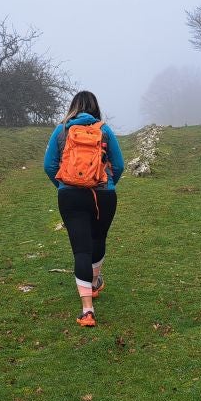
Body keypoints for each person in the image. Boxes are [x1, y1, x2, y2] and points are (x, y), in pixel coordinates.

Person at [44, 91, 124, 327]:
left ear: (73, 107)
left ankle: (87, 310)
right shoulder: (105, 130)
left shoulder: (62, 130)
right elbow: (118, 165)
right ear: (95, 107)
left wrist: (63, 185)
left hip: (70, 195)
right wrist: (108, 185)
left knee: (81, 250)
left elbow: (48, 165)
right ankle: (95, 282)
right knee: (98, 238)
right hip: (104, 194)